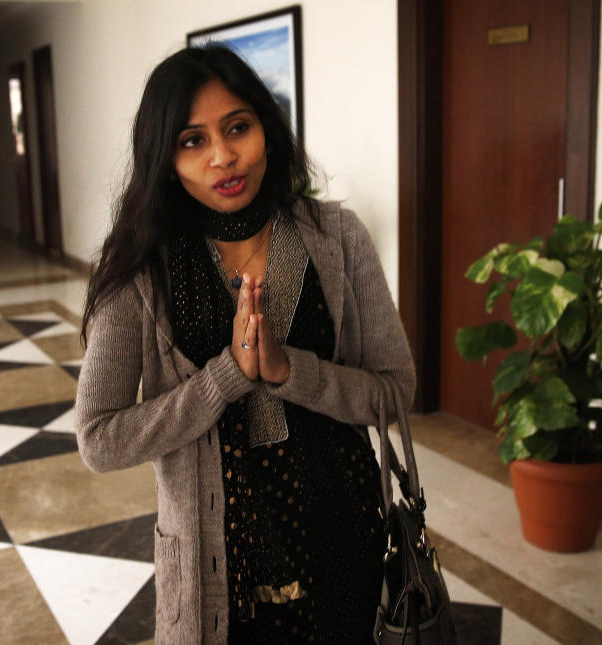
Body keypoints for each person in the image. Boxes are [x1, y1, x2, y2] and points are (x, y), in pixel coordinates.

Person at [75, 45, 415, 644]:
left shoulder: (336, 237)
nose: (223, 157)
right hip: (219, 572)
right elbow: (99, 439)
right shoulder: (141, 269)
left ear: (267, 127)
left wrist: (290, 371)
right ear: (165, 159)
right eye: (192, 141)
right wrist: (225, 376)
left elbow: (394, 392)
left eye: (238, 128)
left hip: (345, 536)